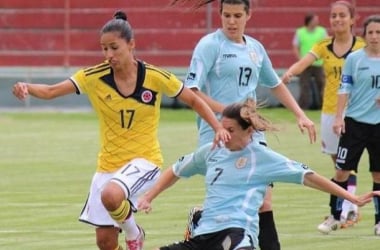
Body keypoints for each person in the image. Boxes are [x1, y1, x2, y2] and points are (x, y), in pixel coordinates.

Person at [11, 11, 230, 250]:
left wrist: (218, 126)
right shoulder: (94, 77)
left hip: (144, 160)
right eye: (104, 49)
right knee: (105, 242)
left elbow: (195, 100)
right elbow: (52, 91)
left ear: (131, 44)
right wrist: (27, 87)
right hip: (108, 165)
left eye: (114, 48)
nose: (109, 55)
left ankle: (135, 234)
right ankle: (131, 233)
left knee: (111, 195)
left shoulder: (155, 77)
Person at [171, 1, 316, 249]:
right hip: (217, 133)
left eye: (237, 15)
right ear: (220, 15)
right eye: (227, 15)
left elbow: (275, 84)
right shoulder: (209, 46)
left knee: (263, 200)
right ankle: (201, 222)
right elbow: (191, 91)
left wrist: (300, 114)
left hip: (250, 133)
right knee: (232, 202)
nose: (231, 21)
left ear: (248, 15)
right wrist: (230, 113)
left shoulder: (255, 49)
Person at [138, 99, 377, 250]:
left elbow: (309, 176)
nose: (225, 135)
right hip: (203, 236)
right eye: (222, 129)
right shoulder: (211, 152)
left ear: (249, 131)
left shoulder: (262, 157)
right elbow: (176, 170)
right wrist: (149, 196)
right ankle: (197, 218)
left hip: (238, 233)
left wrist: (350, 197)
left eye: (230, 130)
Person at [282, 0, 366, 229]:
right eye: (334, 16)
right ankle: (351, 207)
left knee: (344, 164)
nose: (337, 19)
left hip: (356, 111)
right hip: (330, 111)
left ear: (352, 19)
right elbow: (304, 62)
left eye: (342, 15)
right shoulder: (323, 45)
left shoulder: (363, 46)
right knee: (338, 161)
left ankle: (345, 209)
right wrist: (289, 74)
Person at [318, 15, 380, 235]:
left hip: (378, 126)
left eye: (378, 32)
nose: (374, 36)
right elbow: (344, 88)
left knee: (378, 175)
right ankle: (335, 217)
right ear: (364, 35)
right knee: (342, 170)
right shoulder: (354, 59)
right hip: (354, 123)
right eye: (370, 32)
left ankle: (379, 221)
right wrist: (338, 117)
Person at [292, 12, 327, 109]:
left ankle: (323, 105)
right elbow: (295, 46)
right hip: (305, 64)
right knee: (304, 85)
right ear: (309, 21)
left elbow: (326, 45)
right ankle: (303, 106)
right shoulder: (300, 32)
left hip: (318, 63)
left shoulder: (322, 31)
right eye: (315, 20)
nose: (317, 22)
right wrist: (300, 59)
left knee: (322, 84)